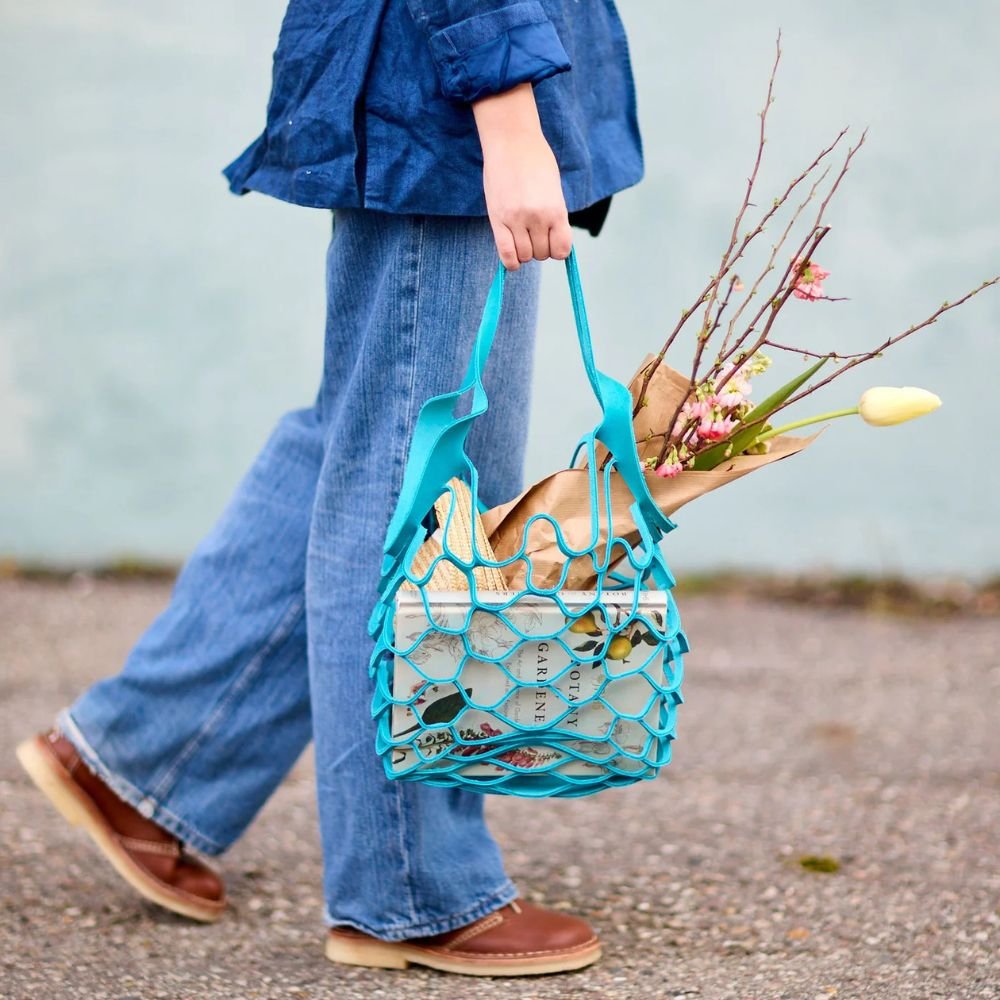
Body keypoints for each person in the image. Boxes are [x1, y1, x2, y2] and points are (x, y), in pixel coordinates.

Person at [17, 0, 644, 978]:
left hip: (439, 88)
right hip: (447, 100)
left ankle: (145, 760)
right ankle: (409, 886)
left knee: (372, 443)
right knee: (421, 484)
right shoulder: (485, 110)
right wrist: (509, 113)